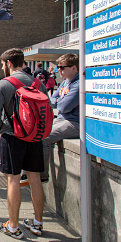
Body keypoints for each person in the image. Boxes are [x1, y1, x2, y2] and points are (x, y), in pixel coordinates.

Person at [0, 48, 47, 239]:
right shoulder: (38, 83)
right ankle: (38, 223)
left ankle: (13, 226)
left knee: (13, 179)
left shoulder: (3, 84)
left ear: (8, 64)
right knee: (35, 178)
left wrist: (3, 129)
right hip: (35, 137)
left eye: (2, 64)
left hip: (13, 137)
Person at [24, 53, 79, 185]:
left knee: (44, 137)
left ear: (74, 68)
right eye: (58, 67)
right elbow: (50, 100)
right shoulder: (66, 82)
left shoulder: (79, 84)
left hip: (75, 123)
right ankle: (28, 171)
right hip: (61, 119)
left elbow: (64, 106)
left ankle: (41, 175)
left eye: (62, 67)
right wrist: (59, 101)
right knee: (34, 131)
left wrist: (59, 101)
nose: (58, 70)